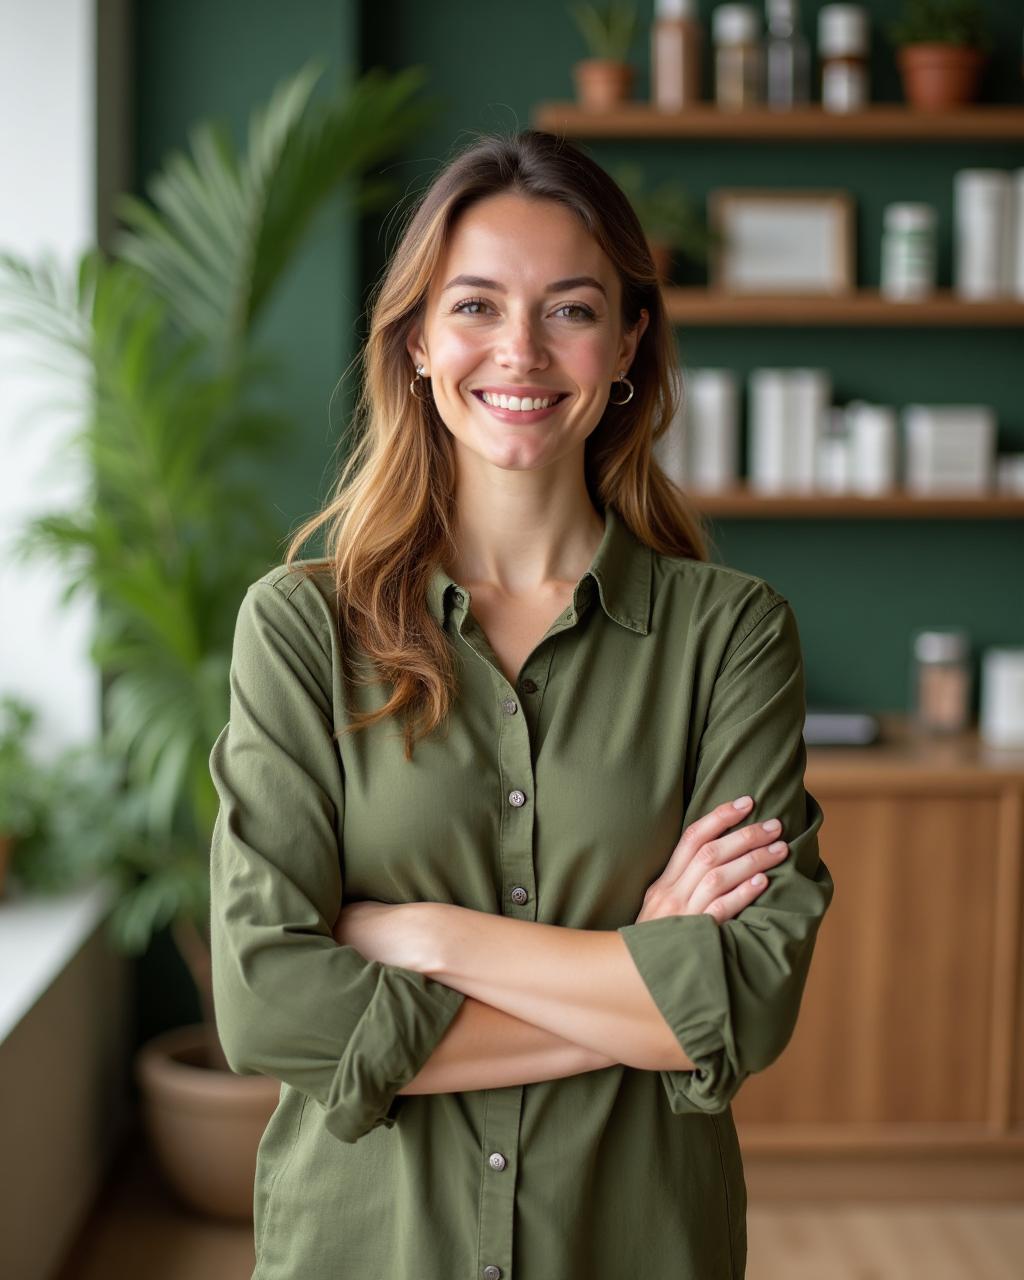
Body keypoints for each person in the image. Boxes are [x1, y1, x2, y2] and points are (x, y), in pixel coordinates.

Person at [208, 127, 834, 1280]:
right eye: (477, 305)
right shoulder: (300, 628)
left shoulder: (730, 633)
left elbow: (742, 1002)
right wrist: (637, 975)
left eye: (571, 309)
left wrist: (428, 937)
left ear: (628, 342)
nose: (522, 351)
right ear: (414, 343)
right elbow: (268, 1005)